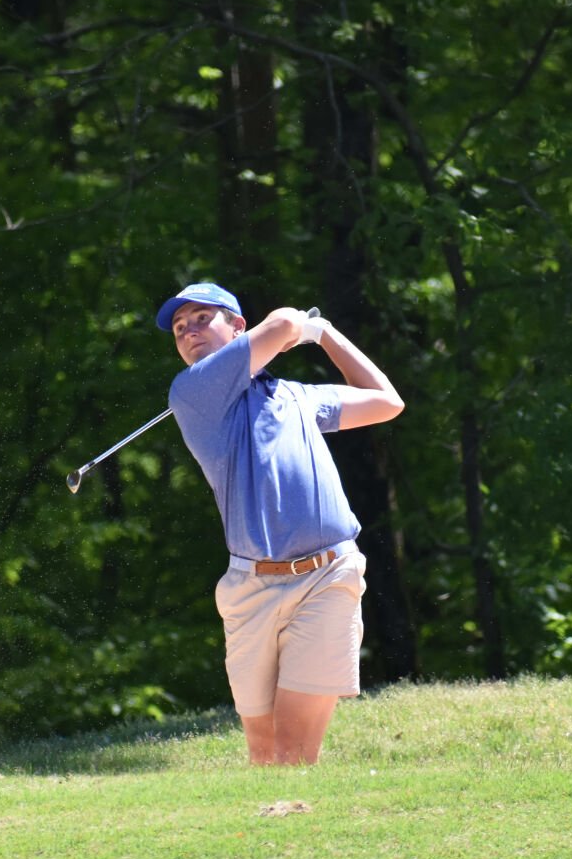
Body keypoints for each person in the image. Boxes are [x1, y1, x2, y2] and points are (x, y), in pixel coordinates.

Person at [157, 281, 405, 765]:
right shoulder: (192, 392)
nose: (189, 332)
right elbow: (287, 323)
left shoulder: (296, 397)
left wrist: (328, 333)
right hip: (251, 586)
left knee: (292, 750)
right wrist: (302, 329)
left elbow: (386, 401)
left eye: (203, 319)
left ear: (238, 328)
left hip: (328, 575)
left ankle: (299, 832)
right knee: (263, 751)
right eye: (180, 328)